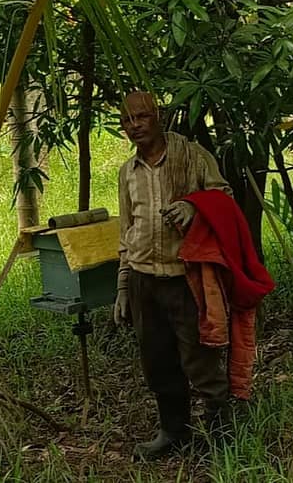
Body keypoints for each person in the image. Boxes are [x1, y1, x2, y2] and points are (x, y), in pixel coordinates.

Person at [113, 91, 232, 459]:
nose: (135, 126)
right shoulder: (126, 173)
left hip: (185, 277)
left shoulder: (191, 156)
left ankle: (221, 438)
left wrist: (192, 208)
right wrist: (122, 285)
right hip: (143, 280)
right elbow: (126, 232)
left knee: (200, 358)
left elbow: (224, 196)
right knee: (157, 361)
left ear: (158, 116)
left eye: (142, 117)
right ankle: (173, 432)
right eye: (127, 121)